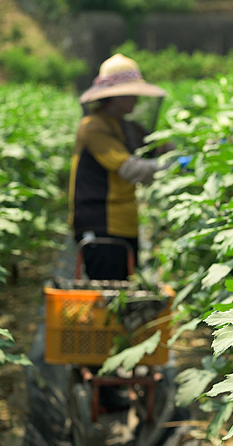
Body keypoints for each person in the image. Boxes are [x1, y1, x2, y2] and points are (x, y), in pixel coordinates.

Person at [69, 53, 173, 281]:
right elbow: (130, 169)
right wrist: (173, 165)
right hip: (101, 223)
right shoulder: (93, 127)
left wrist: (203, 146)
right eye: (131, 92)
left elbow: (158, 146)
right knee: (109, 288)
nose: (136, 98)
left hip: (124, 222)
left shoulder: (126, 127)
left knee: (124, 286)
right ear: (115, 96)